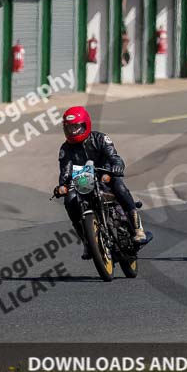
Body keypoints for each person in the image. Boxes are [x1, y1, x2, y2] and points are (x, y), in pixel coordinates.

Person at [54, 106, 146, 259]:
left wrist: (116, 166)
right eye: (69, 127)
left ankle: (138, 229)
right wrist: (62, 186)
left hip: (106, 175)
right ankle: (87, 242)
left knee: (119, 187)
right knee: (69, 201)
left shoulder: (100, 139)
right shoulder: (66, 148)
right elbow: (65, 170)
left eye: (76, 127)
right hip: (82, 181)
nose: (73, 131)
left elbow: (114, 156)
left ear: (85, 125)